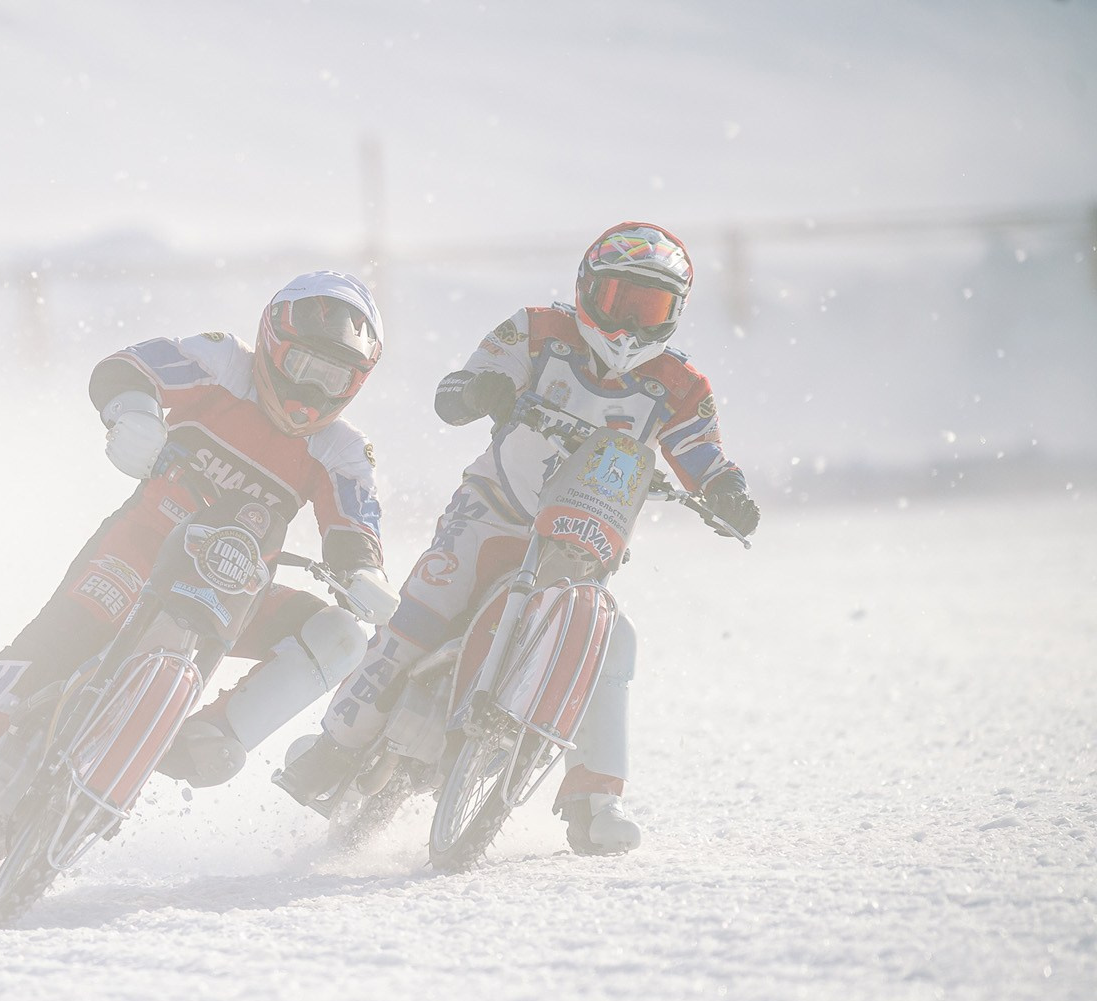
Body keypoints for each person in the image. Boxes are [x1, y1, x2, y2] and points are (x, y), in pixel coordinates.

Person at [0, 271, 401, 853]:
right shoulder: (221, 362)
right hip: (139, 550)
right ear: (273, 345)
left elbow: (354, 526)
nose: (309, 391)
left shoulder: (343, 450)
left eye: (332, 377)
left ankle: (210, 735)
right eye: (302, 365)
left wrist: (363, 575)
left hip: (233, 591)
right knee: (52, 645)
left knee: (340, 636)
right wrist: (134, 415)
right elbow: (127, 368)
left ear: (355, 384)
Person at [278, 222, 760, 854]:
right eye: (620, 302)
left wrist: (726, 491)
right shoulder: (536, 330)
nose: (628, 328)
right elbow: (457, 389)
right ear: (587, 289)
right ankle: (335, 745)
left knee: (613, 639)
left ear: (675, 315)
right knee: (422, 612)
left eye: (649, 309)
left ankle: (596, 800)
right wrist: (483, 390)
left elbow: (703, 454)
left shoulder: (680, 384)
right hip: (493, 511)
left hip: (585, 541)